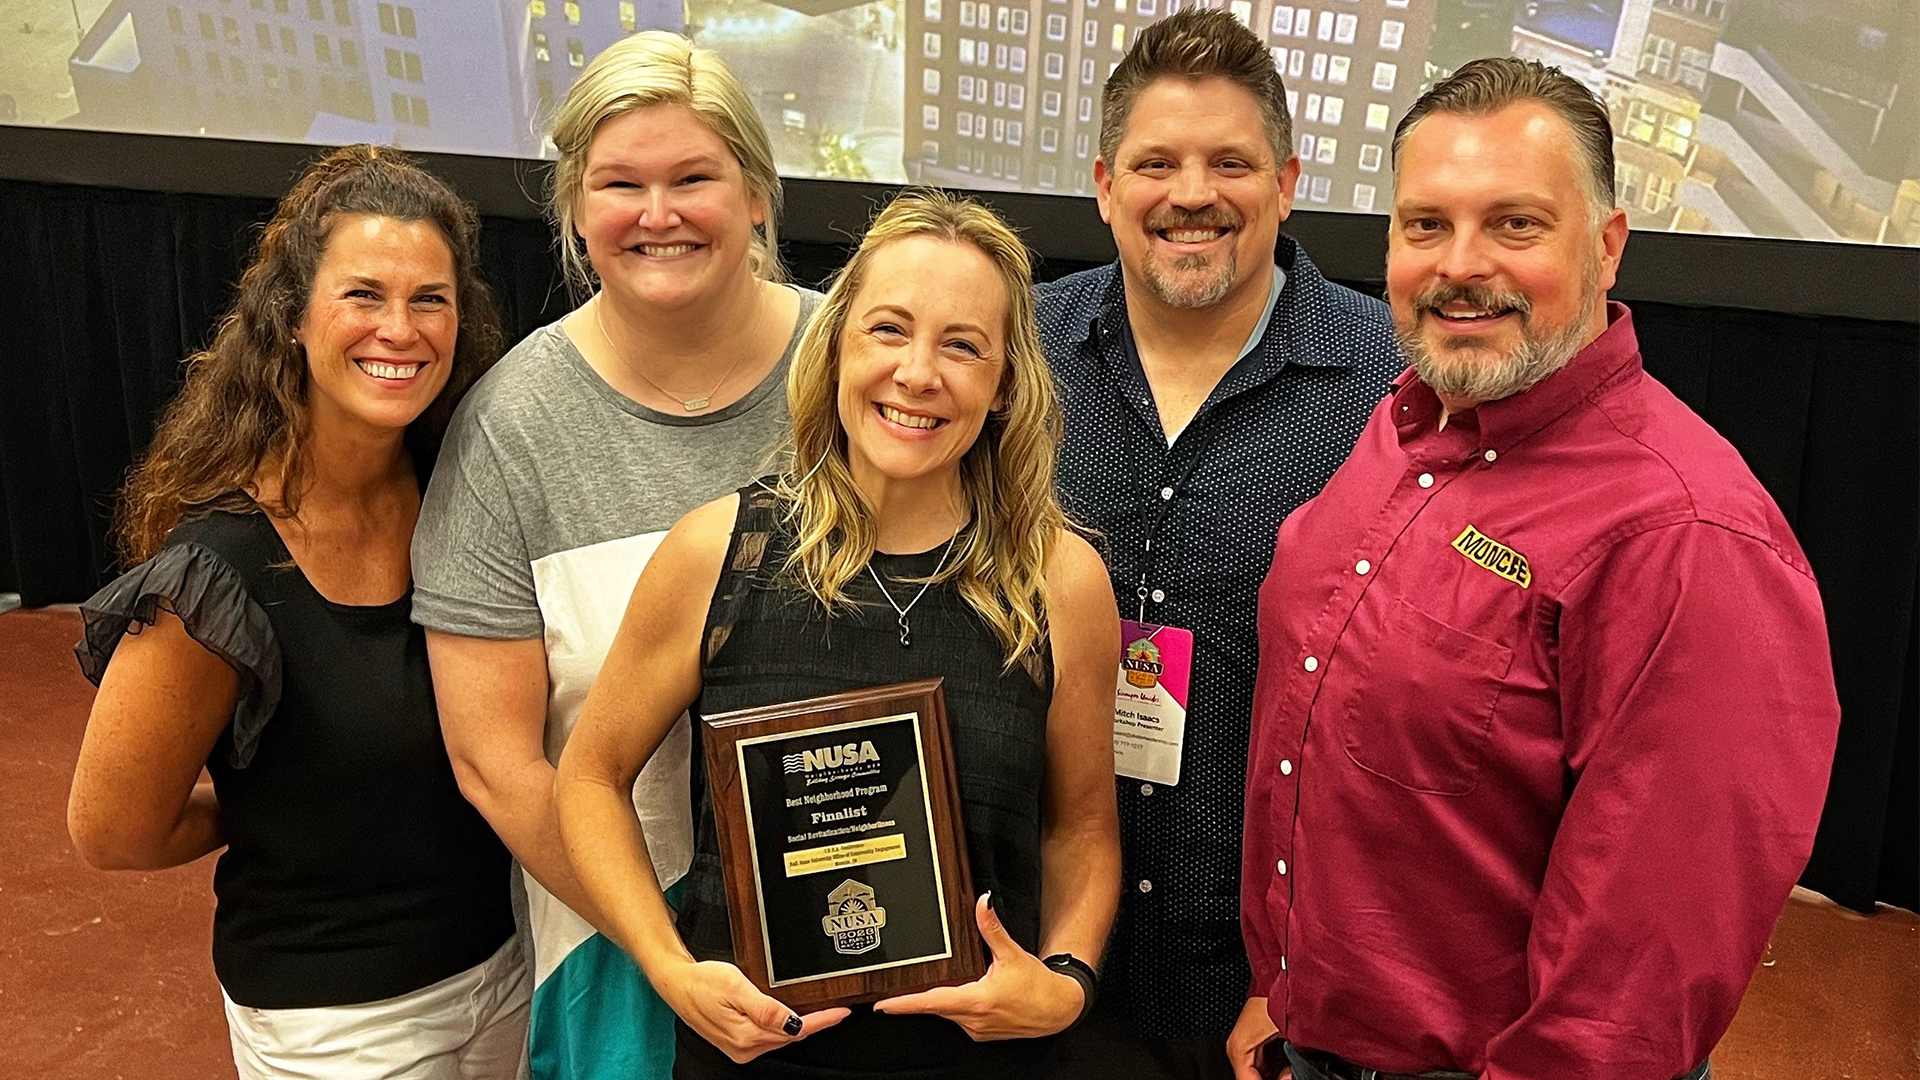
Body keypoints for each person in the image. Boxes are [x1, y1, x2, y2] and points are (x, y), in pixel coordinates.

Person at [1235, 57, 1843, 1080]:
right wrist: (1281, 990)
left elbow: (1633, 992)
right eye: (1425, 224)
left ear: (1606, 246)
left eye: (1514, 224)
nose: (1460, 265)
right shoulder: (1398, 431)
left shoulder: (1686, 535)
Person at [553, 190, 1123, 1080]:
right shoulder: (720, 553)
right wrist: (668, 969)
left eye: (963, 345)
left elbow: (1083, 827)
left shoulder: (1062, 581)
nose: (918, 373)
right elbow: (588, 777)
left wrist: (1067, 982)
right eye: (888, 330)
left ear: (1007, 382)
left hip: (978, 1065)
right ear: (839, 344)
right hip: (749, 1057)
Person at [409, 31, 823, 1080]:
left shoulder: (858, 373)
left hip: (863, 916)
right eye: (620, 184)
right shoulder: (509, 425)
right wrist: (669, 952)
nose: (658, 213)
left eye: (694, 178)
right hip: (616, 957)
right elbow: (495, 762)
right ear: (575, 210)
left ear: (759, 196)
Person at [68, 145, 523, 1079]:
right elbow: (114, 829)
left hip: (509, 968)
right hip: (336, 1028)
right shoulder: (214, 572)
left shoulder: (467, 496)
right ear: (292, 321)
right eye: (363, 294)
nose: (399, 329)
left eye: (429, 298)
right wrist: (273, 807)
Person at [1033, 11, 1402, 1076]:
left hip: (1260, 993)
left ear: (1286, 183)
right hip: (1042, 956)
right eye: (1157, 162)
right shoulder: (1019, 351)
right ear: (1106, 184)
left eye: (1229, 162)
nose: (1191, 193)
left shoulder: (1390, 383)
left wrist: (1302, 977)